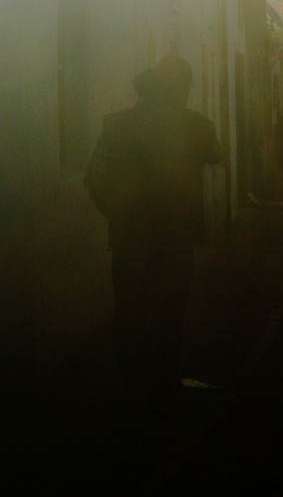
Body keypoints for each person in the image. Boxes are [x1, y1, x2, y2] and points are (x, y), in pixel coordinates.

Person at [84, 55, 224, 408]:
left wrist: (117, 213)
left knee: (130, 308)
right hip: (177, 235)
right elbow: (217, 156)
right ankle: (161, 382)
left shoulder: (117, 125)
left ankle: (133, 383)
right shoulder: (198, 126)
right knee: (169, 310)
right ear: (183, 89)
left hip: (130, 234)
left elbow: (93, 178)